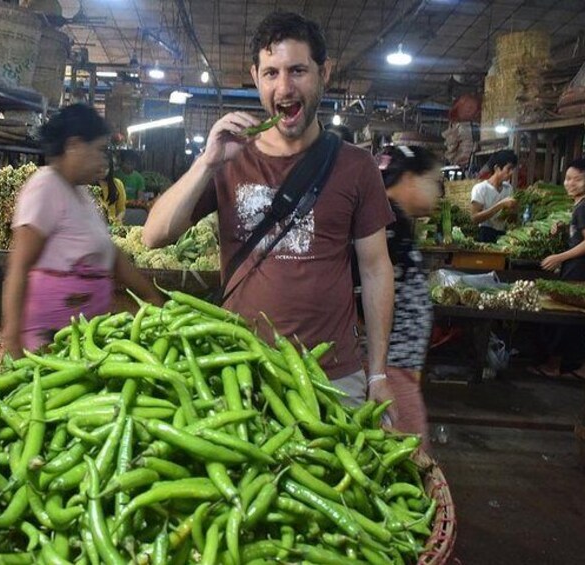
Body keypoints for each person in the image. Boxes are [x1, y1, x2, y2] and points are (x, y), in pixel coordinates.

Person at [143, 11, 397, 410]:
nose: (284, 87)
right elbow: (153, 235)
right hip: (241, 369)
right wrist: (206, 163)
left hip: (332, 376)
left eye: (297, 70)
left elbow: (376, 268)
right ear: (255, 76)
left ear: (324, 73)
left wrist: (379, 373)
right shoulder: (228, 159)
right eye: (271, 73)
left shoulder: (355, 166)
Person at [1, 104, 161, 356]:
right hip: (51, 342)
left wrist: (150, 295)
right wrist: (12, 342)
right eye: (99, 150)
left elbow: (110, 253)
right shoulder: (45, 186)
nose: (103, 160)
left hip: (83, 338)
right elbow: (19, 268)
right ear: (74, 145)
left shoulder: (81, 193)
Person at [379, 145, 442, 442]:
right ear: (408, 178)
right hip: (388, 365)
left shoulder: (393, 219)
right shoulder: (386, 223)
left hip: (396, 363)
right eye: (432, 181)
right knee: (407, 451)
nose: (437, 192)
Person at [530, 158, 585, 378]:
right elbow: (581, 235)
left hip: (581, 270)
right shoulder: (582, 204)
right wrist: (564, 230)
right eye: (568, 178)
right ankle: (575, 366)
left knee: (565, 320)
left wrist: (558, 257)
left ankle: (556, 366)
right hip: (577, 267)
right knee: (571, 321)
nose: (571, 183)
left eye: (578, 179)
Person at [470, 149, 518, 243]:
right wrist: (500, 205)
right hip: (485, 234)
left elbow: (512, 219)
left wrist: (513, 211)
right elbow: (474, 218)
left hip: (503, 236)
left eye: (513, 169)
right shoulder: (481, 188)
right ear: (497, 168)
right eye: (509, 168)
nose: (511, 172)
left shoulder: (508, 189)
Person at [95, 155, 127, 224]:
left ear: (111, 168)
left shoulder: (118, 184)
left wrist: (118, 220)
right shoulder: (87, 185)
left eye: (106, 167)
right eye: (99, 166)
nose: (102, 170)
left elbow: (121, 209)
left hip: (113, 226)